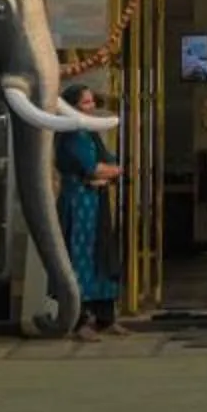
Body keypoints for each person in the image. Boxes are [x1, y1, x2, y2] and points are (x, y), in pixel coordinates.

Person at [55, 82, 122, 337]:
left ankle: (105, 317)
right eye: (85, 103)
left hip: (96, 203)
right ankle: (80, 320)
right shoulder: (70, 136)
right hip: (78, 203)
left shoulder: (90, 133)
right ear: (71, 107)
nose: (91, 107)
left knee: (102, 256)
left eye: (92, 102)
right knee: (79, 257)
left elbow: (108, 162)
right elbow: (94, 168)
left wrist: (107, 171)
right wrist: (108, 172)